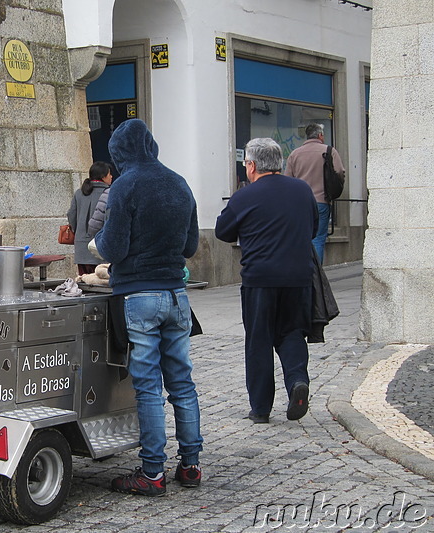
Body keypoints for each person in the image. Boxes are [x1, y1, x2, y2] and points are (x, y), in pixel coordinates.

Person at [94, 119, 202, 495]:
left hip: (140, 297)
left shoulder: (125, 185)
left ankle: (152, 473)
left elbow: (114, 248)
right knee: (183, 385)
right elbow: (190, 246)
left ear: (119, 153)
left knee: (148, 389)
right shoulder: (179, 183)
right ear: (151, 145)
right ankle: (190, 466)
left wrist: (98, 242)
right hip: (176, 295)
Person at [215, 138, 318, 425]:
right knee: (292, 333)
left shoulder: (245, 196)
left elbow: (223, 231)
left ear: (251, 165)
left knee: (259, 339)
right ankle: (297, 380)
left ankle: (260, 408)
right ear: (280, 163)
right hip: (298, 277)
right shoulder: (302, 189)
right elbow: (314, 227)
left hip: (259, 278)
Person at [284, 123, 345, 263]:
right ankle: (316, 276)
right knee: (318, 239)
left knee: (302, 237)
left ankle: (302, 271)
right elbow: (340, 172)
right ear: (320, 135)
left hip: (300, 203)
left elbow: (287, 179)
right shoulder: (330, 151)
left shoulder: (295, 154)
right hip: (321, 201)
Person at [66, 161, 112, 275]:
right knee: (101, 283)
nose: (111, 177)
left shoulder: (79, 193)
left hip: (81, 246)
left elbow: (71, 215)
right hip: (100, 246)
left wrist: (79, 232)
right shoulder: (109, 194)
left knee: (83, 283)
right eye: (109, 174)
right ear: (103, 176)